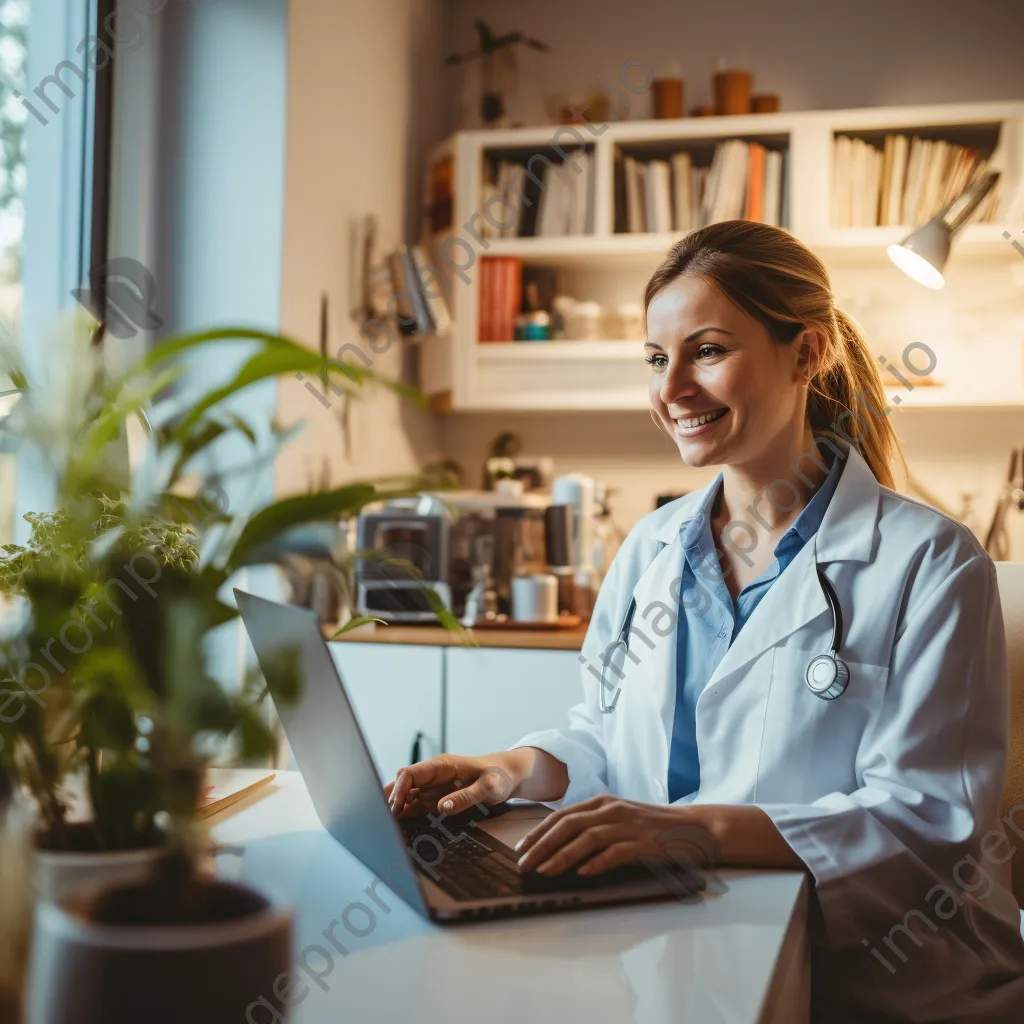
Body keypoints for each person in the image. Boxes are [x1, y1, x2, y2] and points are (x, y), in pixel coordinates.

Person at [385, 220, 1024, 1022]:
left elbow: (928, 820)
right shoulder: (654, 545)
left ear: (806, 353)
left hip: (884, 984)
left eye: (708, 351)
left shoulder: (930, 560)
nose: (672, 389)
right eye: (657, 359)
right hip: (684, 939)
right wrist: (511, 769)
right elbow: (607, 731)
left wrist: (691, 832)